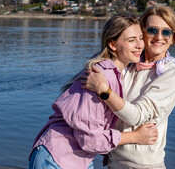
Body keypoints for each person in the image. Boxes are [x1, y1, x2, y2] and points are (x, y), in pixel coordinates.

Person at [29, 13, 158, 169]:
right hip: (56, 159)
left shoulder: (113, 71)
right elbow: (90, 140)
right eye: (131, 40)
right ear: (113, 45)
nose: (139, 45)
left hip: (79, 159)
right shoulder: (100, 76)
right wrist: (135, 137)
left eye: (140, 38)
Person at [83, 5, 175, 168]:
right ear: (141, 32)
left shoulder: (172, 75)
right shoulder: (127, 62)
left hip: (142, 164)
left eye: (166, 32)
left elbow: (137, 116)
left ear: (173, 38)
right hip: (113, 160)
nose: (159, 37)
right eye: (152, 30)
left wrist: (104, 91)